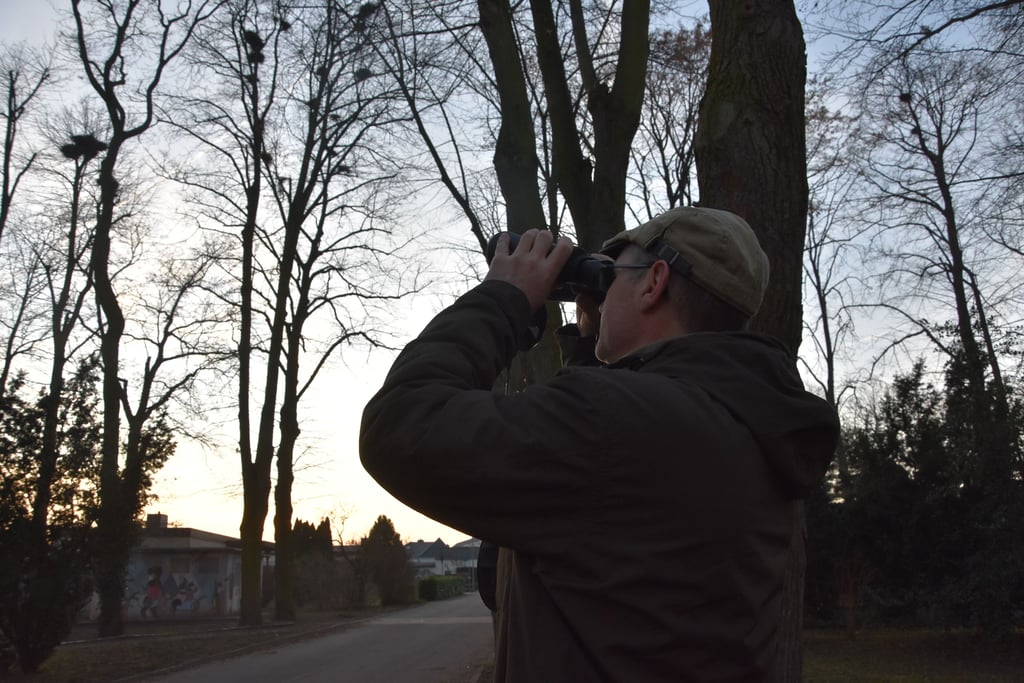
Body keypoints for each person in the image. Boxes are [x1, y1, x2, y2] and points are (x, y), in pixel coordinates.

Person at [360, 206, 839, 682]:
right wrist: (594, 348)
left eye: (614, 275)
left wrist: (502, 298)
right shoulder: (748, 427)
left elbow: (399, 424)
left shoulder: (616, 423)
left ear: (653, 283)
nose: (602, 293)